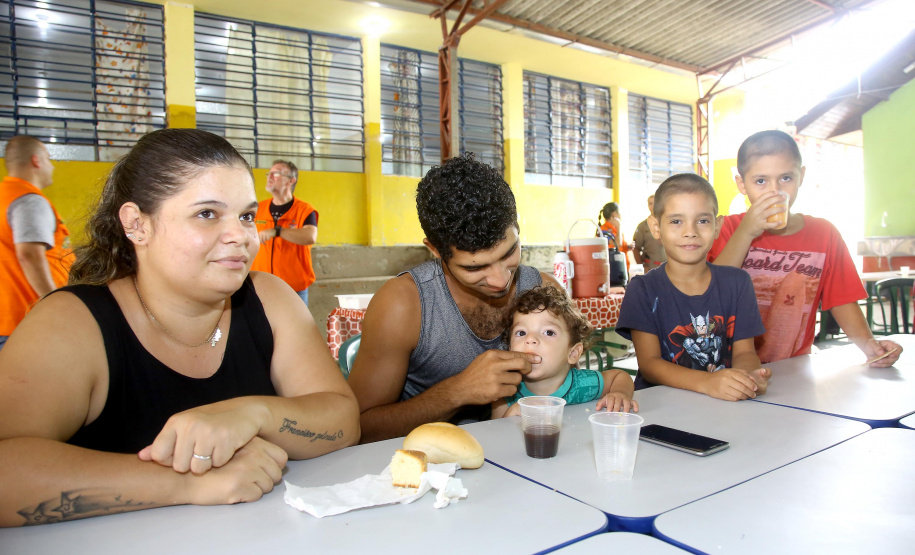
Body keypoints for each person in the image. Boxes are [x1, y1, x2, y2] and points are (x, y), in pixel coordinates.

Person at [0, 129, 359, 527]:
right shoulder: (72, 324)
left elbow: (342, 420)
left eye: (245, 215)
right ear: (137, 224)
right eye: (207, 214)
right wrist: (185, 482)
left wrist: (253, 413)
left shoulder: (270, 300)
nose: (240, 236)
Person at [347, 153, 559, 443]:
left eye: (509, 253)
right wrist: (457, 392)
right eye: (475, 267)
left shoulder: (544, 292)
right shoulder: (403, 306)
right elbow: (359, 428)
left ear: (518, 228)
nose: (500, 279)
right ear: (435, 250)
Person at [707, 130, 902, 366]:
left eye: (786, 178)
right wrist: (746, 232)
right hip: (724, 371)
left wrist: (870, 346)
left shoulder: (824, 234)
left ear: (801, 176)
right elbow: (711, 294)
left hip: (793, 369)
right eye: (761, 181)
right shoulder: (725, 228)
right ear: (742, 184)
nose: (774, 191)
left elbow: (842, 300)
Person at [615, 173, 771, 401]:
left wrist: (748, 377)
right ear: (655, 227)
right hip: (661, 408)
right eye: (676, 221)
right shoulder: (643, 288)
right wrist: (708, 383)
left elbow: (745, 353)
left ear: (717, 226)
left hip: (721, 405)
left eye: (703, 221)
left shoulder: (738, 283)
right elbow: (650, 364)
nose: (691, 231)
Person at [491, 286, 638, 418]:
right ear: (510, 349)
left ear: (573, 353)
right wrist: (508, 418)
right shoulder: (506, 391)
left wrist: (620, 394)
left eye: (548, 332)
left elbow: (619, 376)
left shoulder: (583, 384)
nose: (530, 339)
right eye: (521, 333)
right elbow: (496, 436)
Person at [0, 136, 73, 350]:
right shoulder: (29, 200)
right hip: (24, 318)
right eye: (49, 159)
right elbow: (29, 255)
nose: (52, 166)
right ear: (36, 161)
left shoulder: (5, 196)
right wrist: (54, 302)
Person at [250, 160, 318, 306]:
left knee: (297, 328)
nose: (270, 177)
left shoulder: (304, 210)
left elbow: (309, 236)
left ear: (291, 180)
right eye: (269, 173)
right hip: (261, 285)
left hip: (293, 288)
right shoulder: (258, 209)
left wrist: (278, 231)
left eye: (276, 173)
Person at [631, 194, 666, 272]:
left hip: (670, 268)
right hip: (651, 268)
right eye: (650, 203)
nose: (653, 206)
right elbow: (636, 248)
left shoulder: (670, 223)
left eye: (655, 203)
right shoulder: (643, 226)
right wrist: (641, 266)